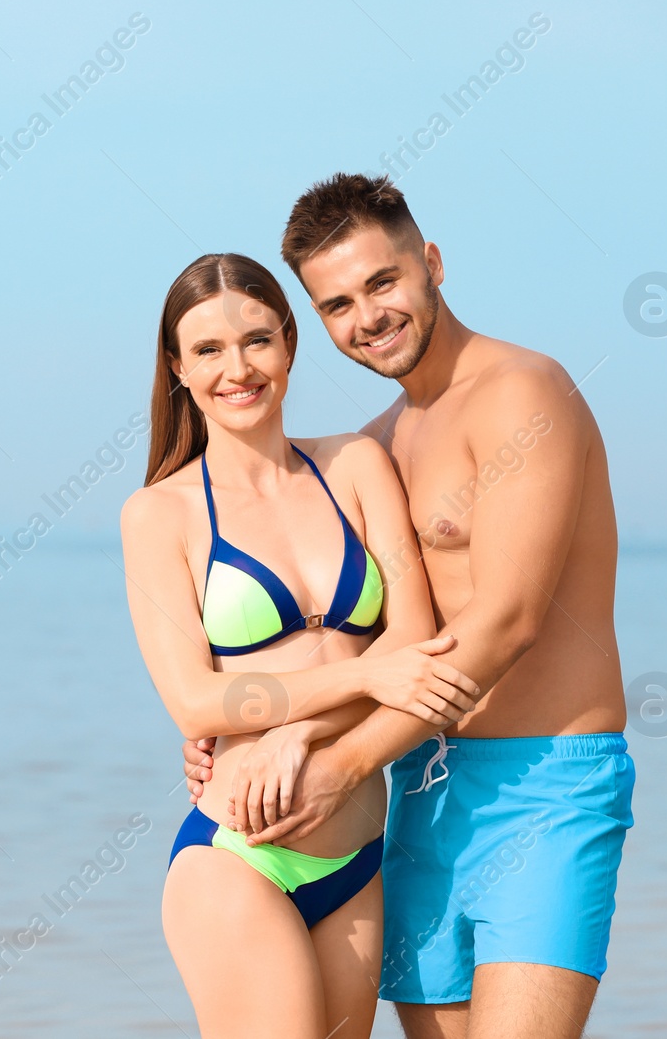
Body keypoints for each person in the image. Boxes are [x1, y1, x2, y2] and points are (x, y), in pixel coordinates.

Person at [183, 174, 634, 1039]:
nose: (368, 316)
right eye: (338, 303)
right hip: (420, 788)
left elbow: (506, 622)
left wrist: (338, 760)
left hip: (545, 782)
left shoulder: (523, 393)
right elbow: (354, 639)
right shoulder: (380, 443)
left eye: (383, 283)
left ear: (430, 263)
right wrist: (247, 729)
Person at [120, 252, 482, 1039]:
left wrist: (297, 730)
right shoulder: (159, 515)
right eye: (209, 349)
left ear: (289, 344)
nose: (238, 367)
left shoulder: (355, 464)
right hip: (236, 852)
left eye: (257, 339)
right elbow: (195, 699)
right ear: (177, 369)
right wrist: (365, 676)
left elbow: (416, 641)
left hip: (354, 860)